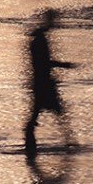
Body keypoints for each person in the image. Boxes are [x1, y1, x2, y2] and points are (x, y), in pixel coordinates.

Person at [24, 8, 76, 159]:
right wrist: (64, 65)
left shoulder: (37, 39)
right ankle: (69, 144)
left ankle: (31, 145)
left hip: (40, 81)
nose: (55, 24)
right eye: (53, 20)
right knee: (55, 112)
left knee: (44, 113)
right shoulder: (40, 40)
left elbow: (41, 63)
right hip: (43, 82)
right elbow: (43, 63)